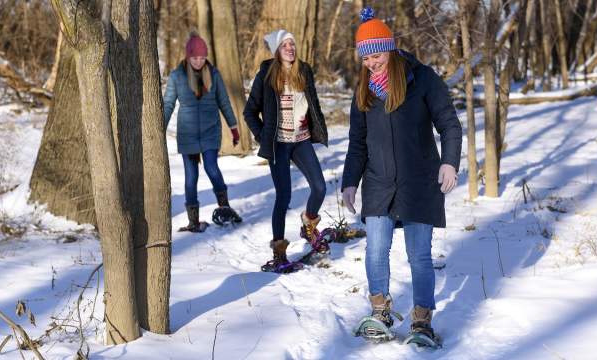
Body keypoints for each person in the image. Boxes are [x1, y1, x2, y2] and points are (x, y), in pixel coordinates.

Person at [342, 8, 462, 346]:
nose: (371, 63)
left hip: (419, 182)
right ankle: (380, 312)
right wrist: (350, 181)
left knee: (419, 255)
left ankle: (422, 320)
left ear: (391, 49)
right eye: (365, 59)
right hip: (379, 181)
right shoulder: (363, 89)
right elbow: (357, 141)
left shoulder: (422, 78)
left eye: (376, 55)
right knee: (376, 249)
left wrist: (449, 163)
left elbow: (449, 124)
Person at [243, 30, 329, 273]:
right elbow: (250, 112)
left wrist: (317, 128)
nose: (290, 48)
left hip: (301, 141)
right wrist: (263, 136)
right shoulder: (267, 75)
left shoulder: (304, 71)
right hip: (278, 144)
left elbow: (314, 104)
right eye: (284, 45)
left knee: (320, 187)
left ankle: (308, 225)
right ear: (277, 50)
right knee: (283, 197)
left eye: (292, 44)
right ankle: (279, 253)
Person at [164, 32, 242, 232]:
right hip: (187, 133)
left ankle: (224, 208)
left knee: (211, 167)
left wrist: (233, 128)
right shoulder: (176, 76)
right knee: (191, 177)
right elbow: (168, 104)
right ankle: (193, 220)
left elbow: (223, 101)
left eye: (202, 57)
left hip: (210, 130)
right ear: (187, 56)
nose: (199, 61)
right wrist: (160, 130)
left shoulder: (214, 75)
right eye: (194, 57)